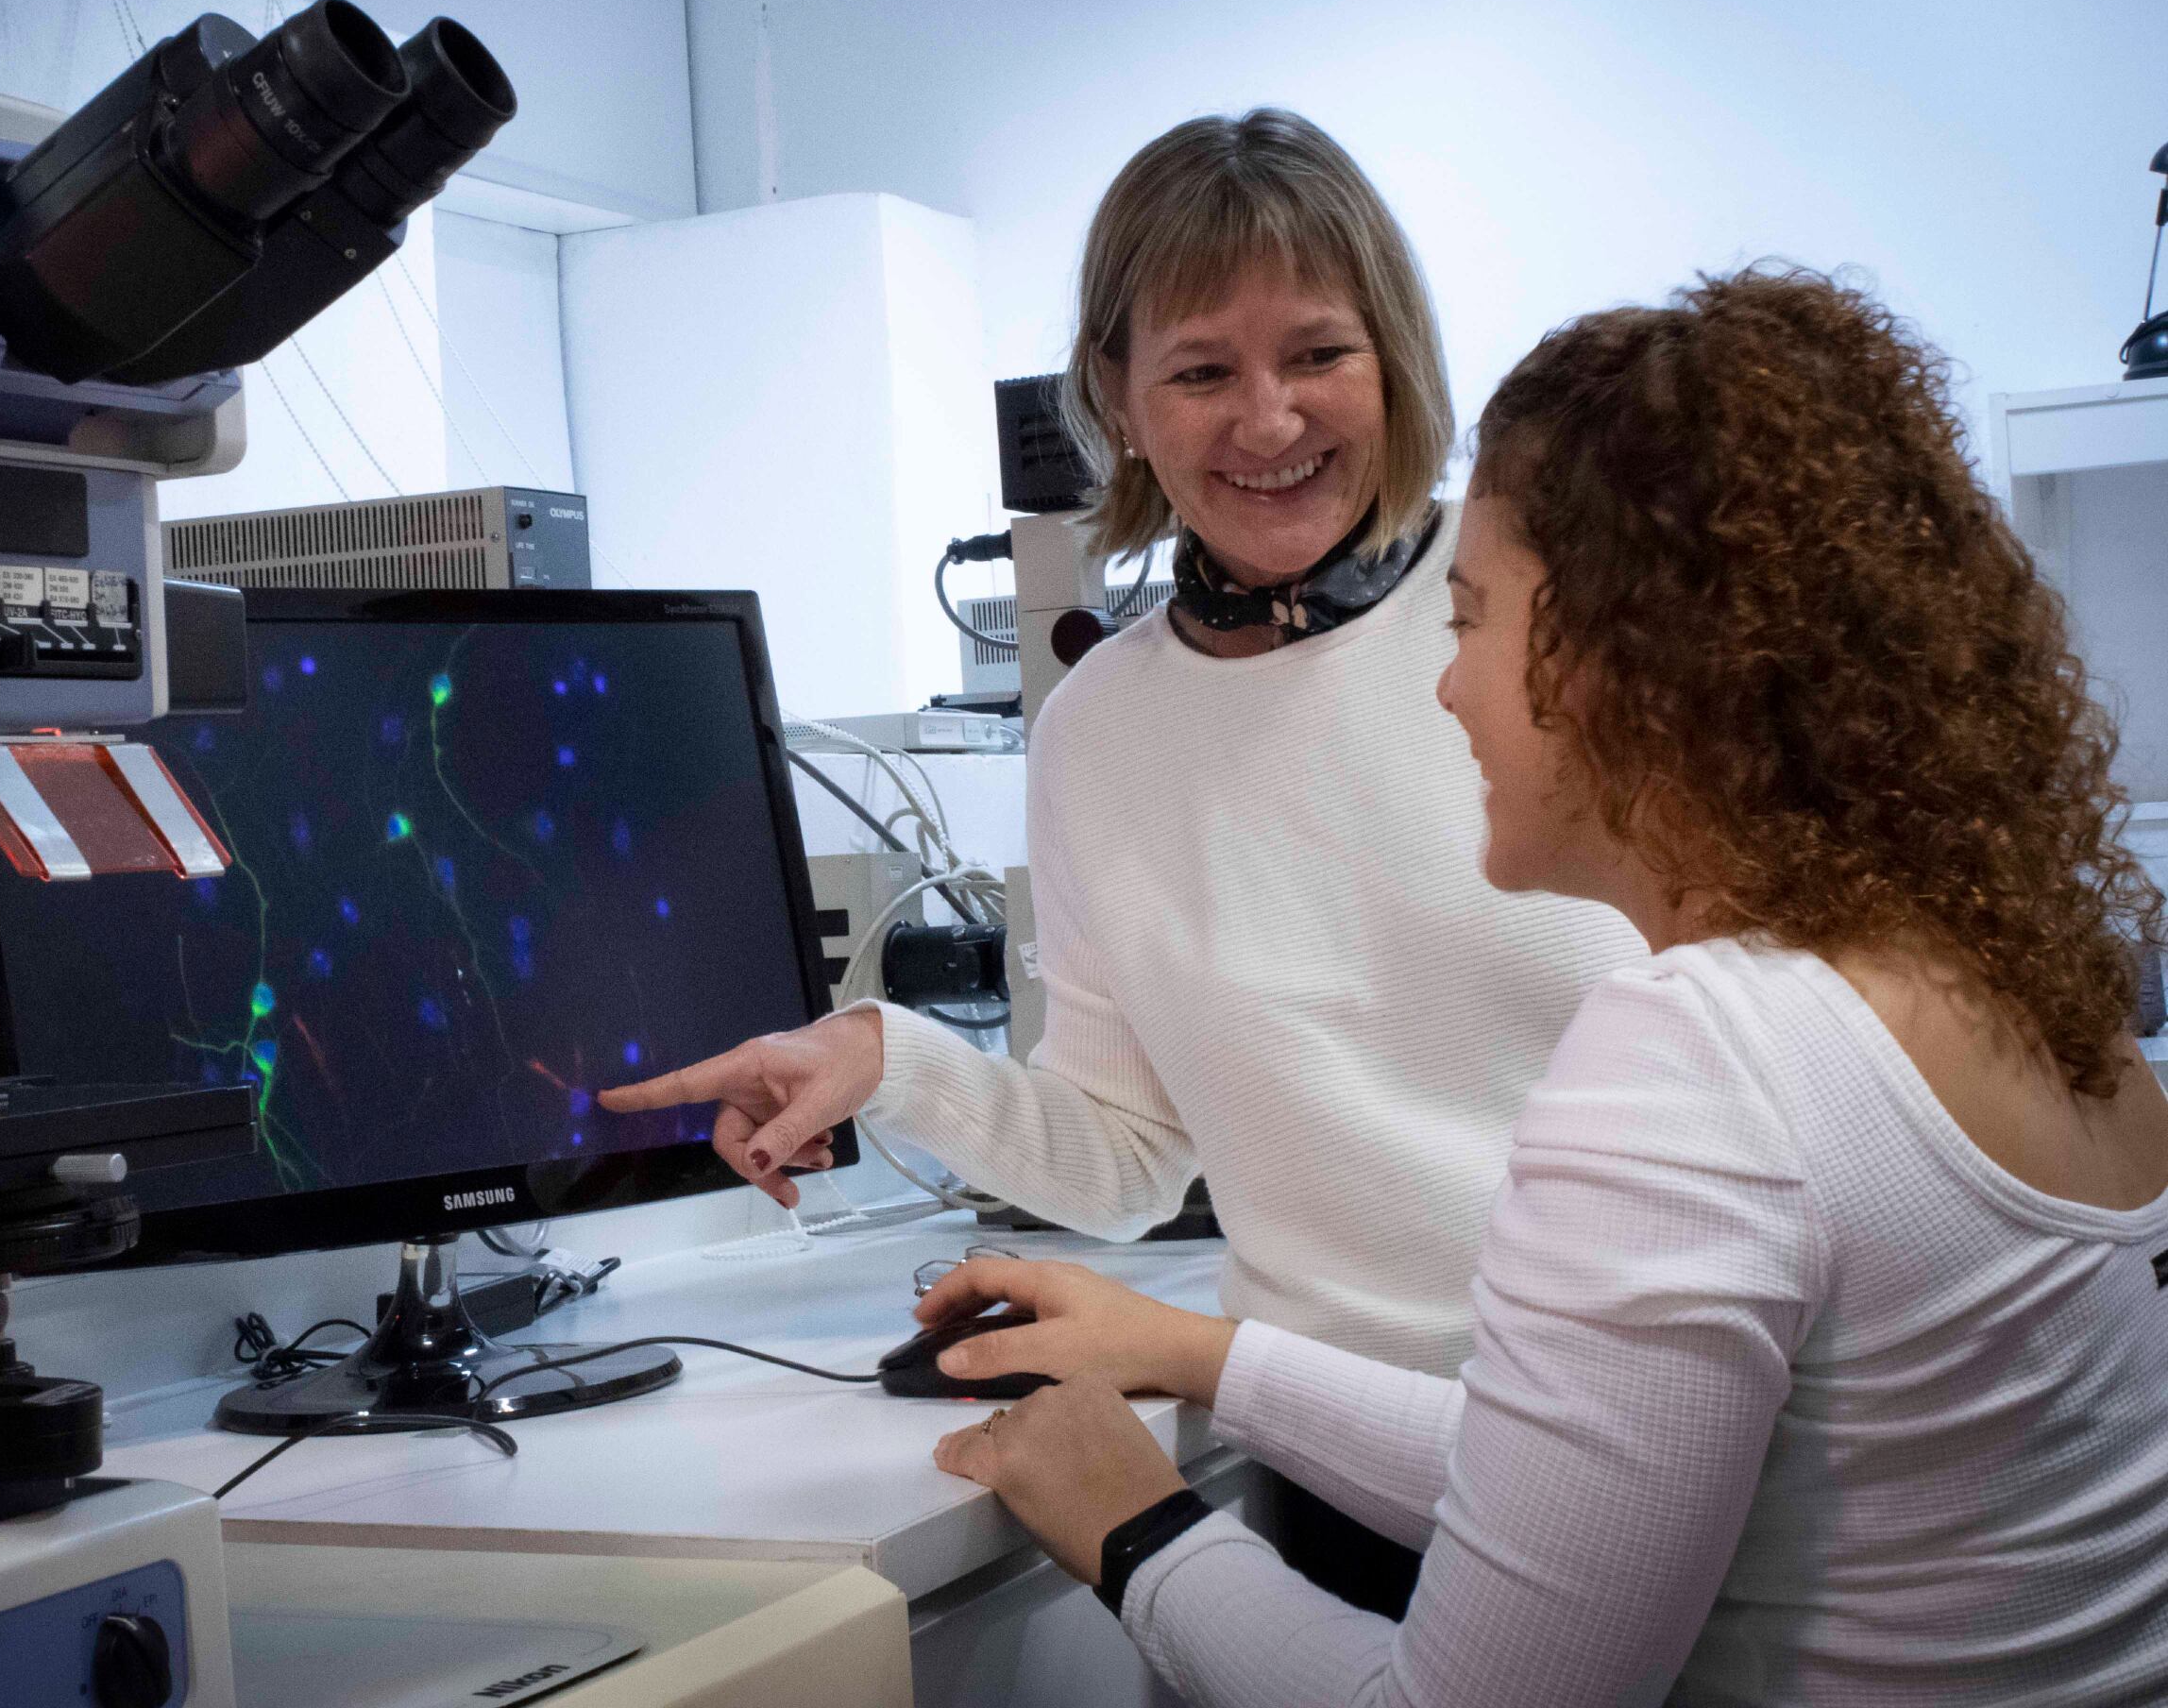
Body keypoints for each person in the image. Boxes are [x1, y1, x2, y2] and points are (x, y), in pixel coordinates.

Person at [915, 268, 2168, 1705]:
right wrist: (1205, 1356)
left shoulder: (1700, 1056)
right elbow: (1595, 1481)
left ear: (1634, 653)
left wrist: (1138, 1530)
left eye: (1467, 618)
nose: (1443, 690)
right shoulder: (2012, 984)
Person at [602, 109, 1643, 1615]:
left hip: (1664, 1442)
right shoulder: (1101, 729)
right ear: (1117, 397)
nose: (1269, 420)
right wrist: (888, 1059)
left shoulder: (1559, 624)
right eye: (1203, 370)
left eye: (1319, 355)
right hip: (1350, 1483)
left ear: (1399, 358)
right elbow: (1127, 1162)